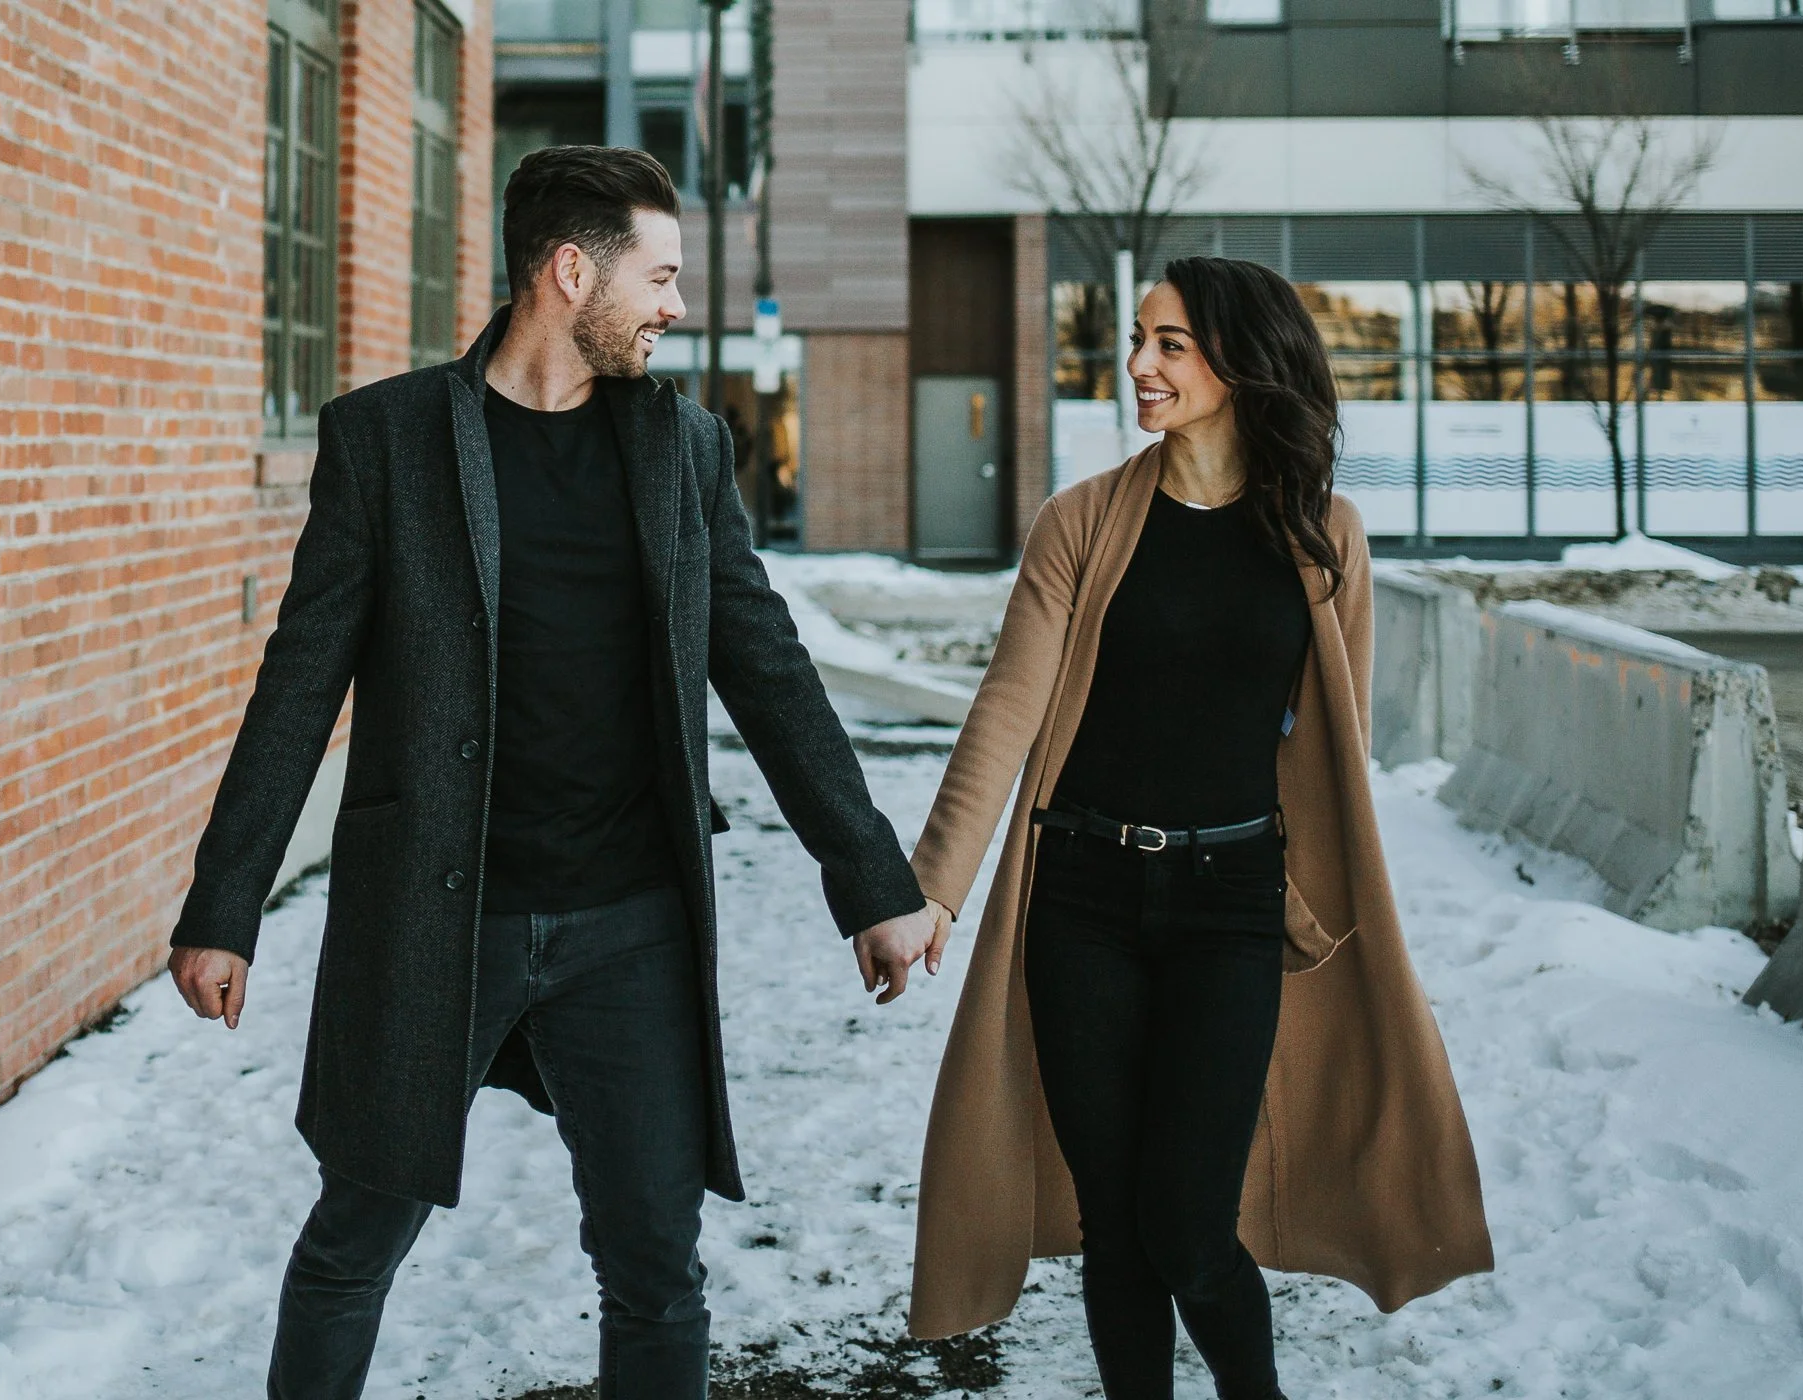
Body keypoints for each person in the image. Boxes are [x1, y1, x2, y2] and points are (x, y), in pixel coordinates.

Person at [164, 145, 937, 1400]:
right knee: (357, 1242)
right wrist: (224, 904)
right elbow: (298, 684)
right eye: (662, 277)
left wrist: (874, 879)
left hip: (626, 922)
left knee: (656, 1266)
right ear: (569, 271)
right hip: (435, 915)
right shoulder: (390, 440)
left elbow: (771, 670)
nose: (678, 308)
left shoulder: (683, 452)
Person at [903, 257, 1494, 1397]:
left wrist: (1315, 892)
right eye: (1139, 340)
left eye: (1170, 344)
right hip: (1080, 898)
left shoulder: (1325, 535)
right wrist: (938, 882)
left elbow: (1335, 748)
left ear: (1240, 361)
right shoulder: (1081, 522)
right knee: (1113, 1226)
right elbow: (1006, 709)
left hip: (1231, 904)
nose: (1139, 366)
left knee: (1186, 1222)